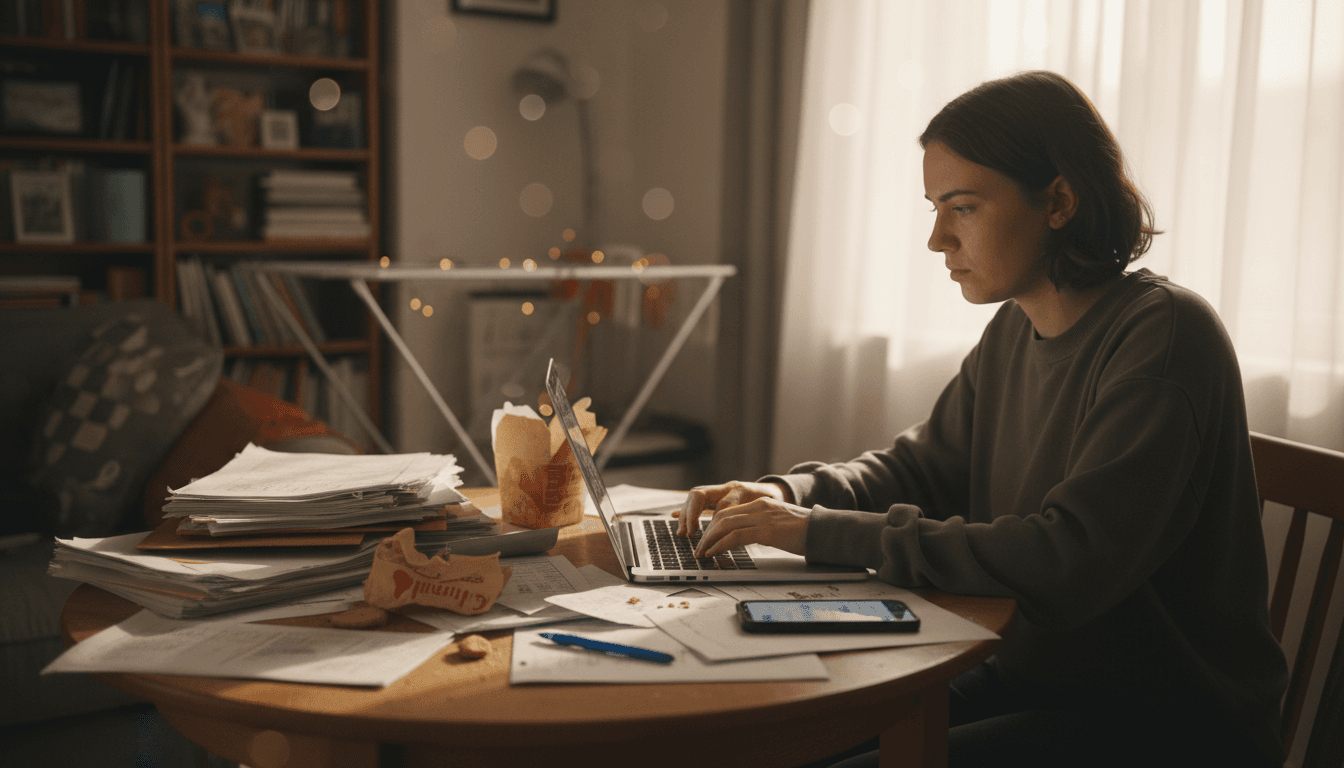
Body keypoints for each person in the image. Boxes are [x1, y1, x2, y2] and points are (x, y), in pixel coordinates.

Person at [678, 71, 1288, 768]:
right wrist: (789, 496)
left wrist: (816, 533)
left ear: (1057, 201)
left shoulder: (1164, 337)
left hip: (1158, 728)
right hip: (1032, 681)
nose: (937, 238)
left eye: (962, 207)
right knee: (763, 741)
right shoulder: (1013, 329)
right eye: (935, 207)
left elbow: (1067, 559)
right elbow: (921, 466)